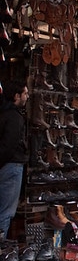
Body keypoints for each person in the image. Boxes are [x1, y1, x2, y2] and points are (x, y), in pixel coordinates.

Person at [0, 80, 28, 239]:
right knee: (6, 212)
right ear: (17, 96)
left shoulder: (5, 114)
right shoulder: (14, 117)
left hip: (7, 164)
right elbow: (9, 145)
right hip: (10, 166)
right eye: (25, 93)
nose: (27, 96)